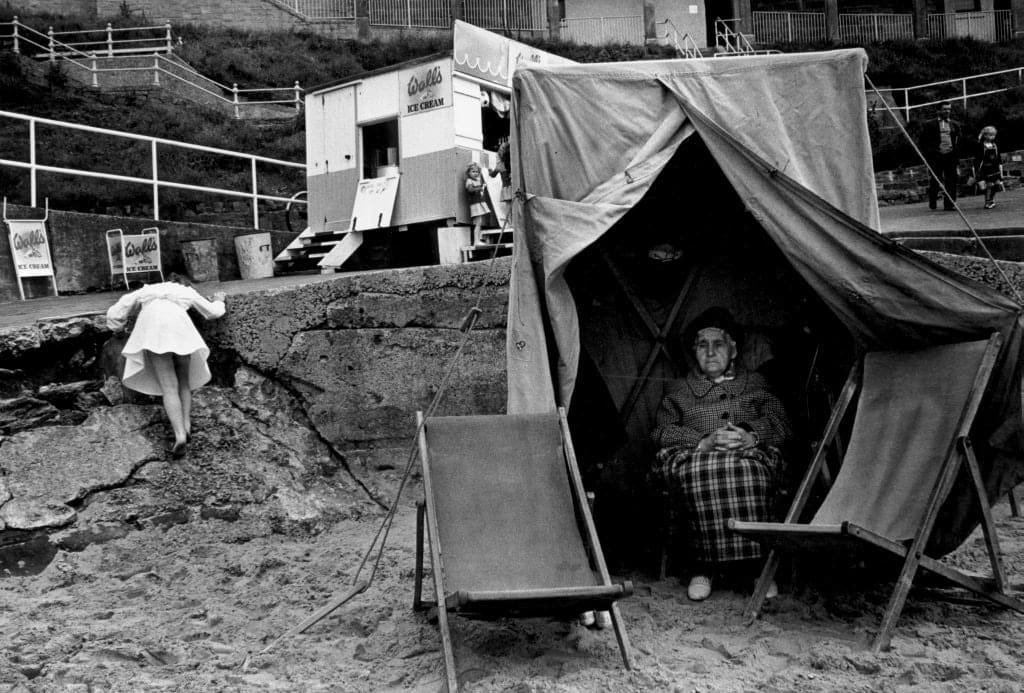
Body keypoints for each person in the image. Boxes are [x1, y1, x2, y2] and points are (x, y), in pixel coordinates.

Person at [651, 307, 792, 601]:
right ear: (694, 352)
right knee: (700, 472)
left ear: (734, 349)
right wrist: (701, 441)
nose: (711, 352)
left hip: (748, 455)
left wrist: (751, 435)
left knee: (749, 471)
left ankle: (756, 569)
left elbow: (781, 422)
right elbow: (661, 432)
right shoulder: (678, 390)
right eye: (703, 344)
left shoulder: (755, 384)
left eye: (719, 344)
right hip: (696, 457)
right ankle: (703, 568)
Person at [106, 273, 227, 458]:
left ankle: (178, 434)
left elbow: (115, 314)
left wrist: (119, 328)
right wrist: (219, 300)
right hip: (181, 331)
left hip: (156, 334)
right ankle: (186, 427)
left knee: (169, 387)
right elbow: (213, 312)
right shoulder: (185, 291)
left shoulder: (144, 292)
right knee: (184, 383)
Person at [920, 102, 962, 211]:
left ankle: (949, 204)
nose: (947, 111)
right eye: (944, 109)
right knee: (935, 180)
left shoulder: (955, 124)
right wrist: (929, 154)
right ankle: (932, 202)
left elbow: (959, 141)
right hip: (936, 156)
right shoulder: (929, 124)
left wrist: (956, 155)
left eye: (949, 109)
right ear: (938, 111)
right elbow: (923, 142)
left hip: (950, 155)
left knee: (951, 180)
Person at [973, 125, 1003, 210]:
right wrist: (977, 170)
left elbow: (998, 158)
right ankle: (988, 201)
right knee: (988, 185)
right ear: (985, 135)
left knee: (997, 185)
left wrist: (1001, 170)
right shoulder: (980, 145)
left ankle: (991, 199)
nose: (991, 137)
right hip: (985, 168)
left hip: (994, 168)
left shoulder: (995, 145)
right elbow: (977, 158)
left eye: (993, 135)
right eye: (989, 135)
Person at [464, 162, 491, 246]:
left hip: (479, 203)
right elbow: (470, 190)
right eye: (473, 171)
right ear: (468, 172)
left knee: (479, 222)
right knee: (477, 223)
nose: (475, 173)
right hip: (475, 204)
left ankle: (478, 239)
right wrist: (480, 188)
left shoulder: (477, 181)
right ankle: (476, 241)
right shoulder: (469, 181)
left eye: (477, 172)